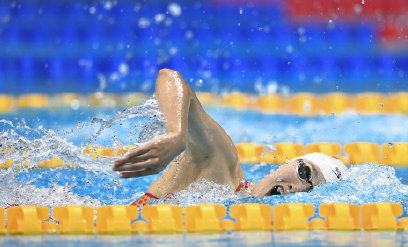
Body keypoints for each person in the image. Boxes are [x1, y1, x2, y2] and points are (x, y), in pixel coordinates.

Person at [113, 69, 347, 206]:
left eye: (309, 191)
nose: (293, 188)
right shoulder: (222, 166)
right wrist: (177, 134)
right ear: (293, 161)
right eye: (305, 173)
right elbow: (169, 77)